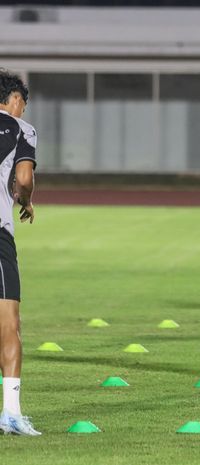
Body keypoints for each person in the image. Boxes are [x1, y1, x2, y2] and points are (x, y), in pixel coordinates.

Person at [0, 70, 40, 435]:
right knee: (9, 323)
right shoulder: (20, 129)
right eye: (22, 104)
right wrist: (25, 201)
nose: (23, 110)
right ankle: (10, 413)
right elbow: (24, 180)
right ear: (14, 99)